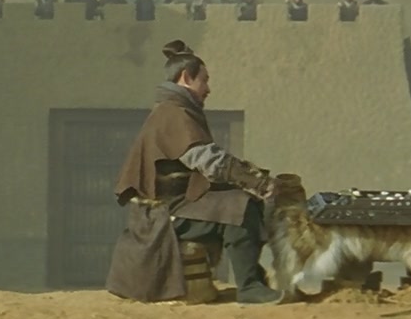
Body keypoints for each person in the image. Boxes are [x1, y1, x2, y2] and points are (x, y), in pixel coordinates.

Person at [107, 40, 283, 305]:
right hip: (165, 213)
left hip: (180, 203)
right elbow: (209, 161)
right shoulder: (172, 114)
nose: (208, 88)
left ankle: (253, 277)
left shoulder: (174, 111)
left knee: (242, 201)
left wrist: (248, 179)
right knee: (241, 207)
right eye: (204, 80)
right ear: (186, 78)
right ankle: (248, 288)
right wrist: (257, 182)